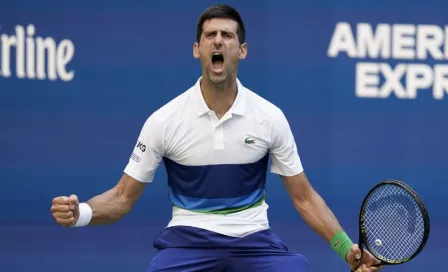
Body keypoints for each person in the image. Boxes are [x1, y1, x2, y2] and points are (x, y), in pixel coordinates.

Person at [50, 4, 383, 272]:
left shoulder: (269, 117)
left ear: (242, 50)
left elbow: (305, 198)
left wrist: (346, 250)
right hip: (186, 240)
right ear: (198, 50)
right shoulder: (164, 121)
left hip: (254, 239)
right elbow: (123, 197)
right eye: (210, 36)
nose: (218, 41)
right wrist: (81, 213)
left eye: (227, 35)